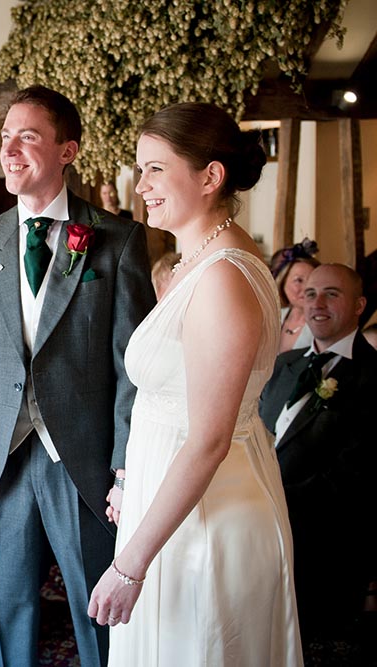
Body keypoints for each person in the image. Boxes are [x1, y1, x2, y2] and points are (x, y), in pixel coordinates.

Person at [88, 103, 300, 666]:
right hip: (174, 502)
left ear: (210, 176)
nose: (142, 185)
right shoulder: (196, 262)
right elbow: (179, 392)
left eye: (156, 169)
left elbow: (207, 438)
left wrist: (128, 564)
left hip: (209, 519)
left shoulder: (222, 277)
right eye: (140, 169)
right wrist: (133, 475)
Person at [0, 85, 155, 667]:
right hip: (6, 461)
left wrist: (124, 469)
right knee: (9, 611)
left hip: (85, 466)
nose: (10, 149)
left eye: (28, 136)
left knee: (99, 613)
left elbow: (129, 369)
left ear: (67, 150)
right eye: (5, 137)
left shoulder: (117, 241)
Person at [259, 264, 376, 647]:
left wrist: (272, 501)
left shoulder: (372, 377)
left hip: (325, 549)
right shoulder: (283, 366)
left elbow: (354, 475)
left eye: (331, 294)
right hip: (260, 533)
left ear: (359, 305)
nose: (317, 303)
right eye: (310, 294)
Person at [272, 240, 320, 353]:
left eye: (313, 281)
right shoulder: (272, 318)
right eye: (299, 280)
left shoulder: (323, 325)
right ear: (283, 282)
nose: (307, 288)